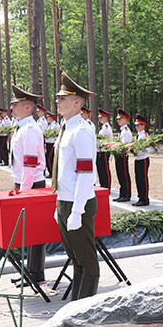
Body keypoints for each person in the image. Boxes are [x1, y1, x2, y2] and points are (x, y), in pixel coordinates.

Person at [53, 72, 99, 300]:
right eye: (58, 98)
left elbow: (84, 174)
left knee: (87, 260)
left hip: (77, 202)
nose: (57, 101)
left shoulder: (81, 131)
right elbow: (63, 171)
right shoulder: (66, 128)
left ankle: (86, 311)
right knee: (76, 258)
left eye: (63, 98)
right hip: (65, 200)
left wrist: (77, 211)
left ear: (77, 102)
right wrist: (59, 204)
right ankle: (76, 305)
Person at [8, 84, 48, 284]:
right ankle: (28, 271)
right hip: (24, 182)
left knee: (35, 232)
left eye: (16, 104)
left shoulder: (30, 129)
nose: (12, 108)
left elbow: (30, 163)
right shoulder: (22, 127)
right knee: (27, 231)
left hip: (31, 183)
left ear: (28, 108)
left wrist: (24, 190)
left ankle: (35, 273)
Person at [113, 109, 133, 202]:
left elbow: (124, 146)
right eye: (117, 119)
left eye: (120, 119)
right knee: (120, 175)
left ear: (126, 119)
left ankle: (126, 194)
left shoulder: (125, 131)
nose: (118, 120)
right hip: (119, 155)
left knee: (124, 175)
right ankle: (122, 194)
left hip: (122, 155)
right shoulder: (122, 130)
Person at [132, 114, 150, 206]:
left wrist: (136, 150)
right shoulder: (139, 135)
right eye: (135, 125)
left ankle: (144, 199)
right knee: (138, 178)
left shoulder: (144, 135)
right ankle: (140, 197)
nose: (136, 127)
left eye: (138, 125)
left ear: (143, 125)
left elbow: (147, 148)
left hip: (143, 158)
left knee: (142, 179)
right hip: (138, 159)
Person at [96, 108, 113, 189]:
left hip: (105, 150)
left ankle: (107, 186)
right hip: (101, 151)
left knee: (105, 169)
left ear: (106, 118)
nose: (100, 119)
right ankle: (103, 185)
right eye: (99, 117)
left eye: (101, 117)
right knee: (101, 169)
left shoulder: (106, 128)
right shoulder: (104, 127)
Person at [44, 111, 59, 178]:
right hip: (48, 142)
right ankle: (50, 171)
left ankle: (52, 173)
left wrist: (50, 135)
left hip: (52, 143)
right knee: (48, 157)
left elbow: (57, 134)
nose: (47, 118)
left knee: (50, 158)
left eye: (48, 117)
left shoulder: (56, 125)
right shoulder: (50, 125)